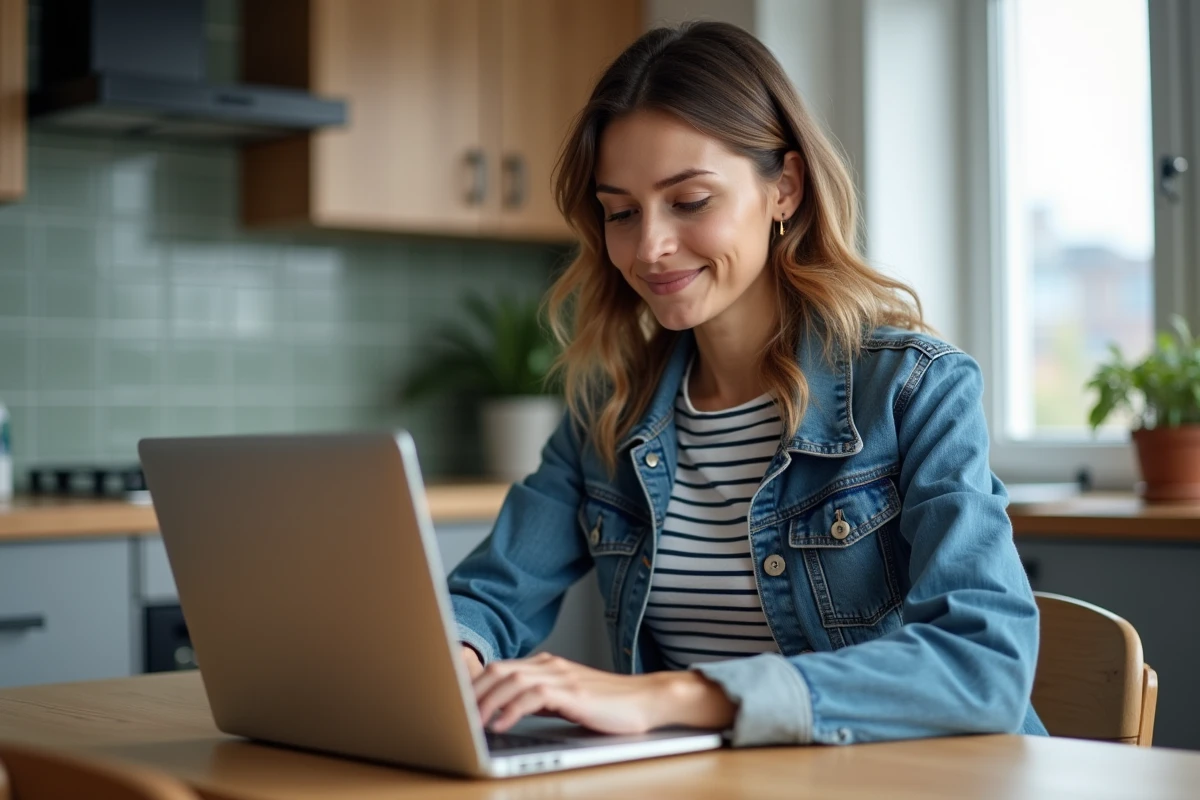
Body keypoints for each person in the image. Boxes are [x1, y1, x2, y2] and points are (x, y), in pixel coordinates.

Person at [447, 20, 1047, 747]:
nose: (651, 247)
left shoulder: (914, 389)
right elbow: (490, 595)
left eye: (690, 201)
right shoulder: (607, 416)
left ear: (785, 187)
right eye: (621, 213)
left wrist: (675, 694)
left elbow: (984, 662)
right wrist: (457, 656)